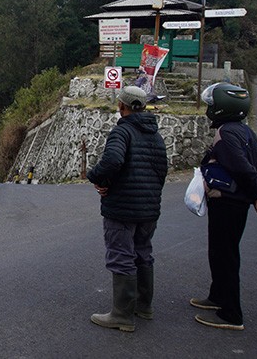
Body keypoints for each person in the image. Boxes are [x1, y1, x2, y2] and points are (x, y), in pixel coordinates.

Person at [190, 83, 257, 331]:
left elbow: (243, 169)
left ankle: (231, 314)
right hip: (236, 203)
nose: (209, 109)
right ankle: (217, 296)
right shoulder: (245, 132)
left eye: (212, 105)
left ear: (223, 109)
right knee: (219, 251)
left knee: (225, 255)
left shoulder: (226, 135)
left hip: (228, 203)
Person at [87, 86, 168, 332]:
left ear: (122, 106)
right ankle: (144, 306)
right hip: (149, 209)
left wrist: (98, 179)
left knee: (121, 256)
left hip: (122, 208)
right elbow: (162, 170)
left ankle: (122, 314)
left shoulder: (122, 132)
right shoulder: (155, 135)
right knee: (143, 253)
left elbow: (112, 161)